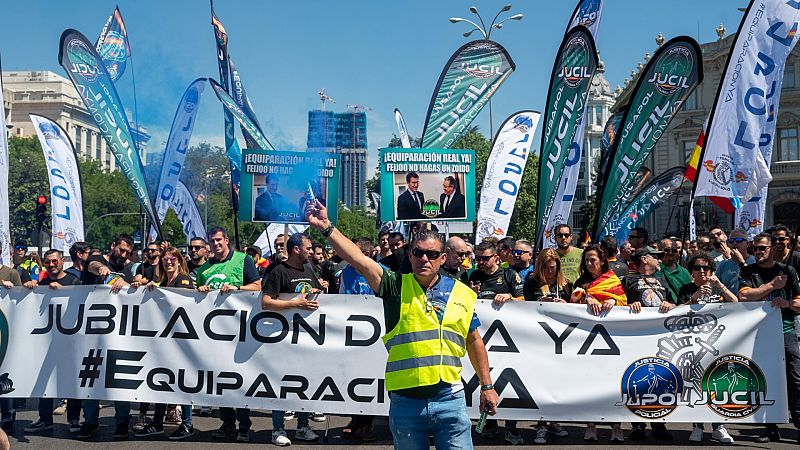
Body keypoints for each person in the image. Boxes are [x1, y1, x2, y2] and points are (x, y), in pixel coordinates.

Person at [305, 198, 498, 449]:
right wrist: (327, 227)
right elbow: (359, 260)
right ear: (410, 254)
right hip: (407, 403)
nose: (424, 259)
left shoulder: (462, 293)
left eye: (431, 254)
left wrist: (487, 386)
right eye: (418, 253)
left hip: (450, 399)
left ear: (443, 258)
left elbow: (474, 341)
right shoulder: (395, 286)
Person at [195, 227, 261, 442]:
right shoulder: (204, 270)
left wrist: (237, 288)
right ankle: (227, 423)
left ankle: (244, 425)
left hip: (240, 330)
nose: (215, 244)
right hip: (215, 334)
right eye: (211, 241)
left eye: (218, 240)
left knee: (238, 380)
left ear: (226, 240)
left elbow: (258, 286)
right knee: (220, 381)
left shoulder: (243, 260)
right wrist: (201, 291)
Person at [261, 233, 321, 446]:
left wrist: (316, 291)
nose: (311, 252)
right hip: (282, 338)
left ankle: (303, 426)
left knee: (304, 383)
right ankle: (277, 429)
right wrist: (295, 304)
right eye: (308, 248)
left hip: (305, 338)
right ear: (296, 249)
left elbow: (312, 296)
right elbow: (266, 302)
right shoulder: (279, 271)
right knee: (280, 383)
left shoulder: (309, 270)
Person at [738, 233, 800, 443]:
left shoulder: (788, 271)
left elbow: (799, 303)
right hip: (759, 335)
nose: (758, 252)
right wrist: (772, 286)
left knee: (795, 379)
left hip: (785, 330)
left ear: (772, 248)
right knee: (763, 379)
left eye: (762, 248)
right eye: (754, 249)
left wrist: (788, 303)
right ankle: (769, 427)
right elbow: (745, 295)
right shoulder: (748, 271)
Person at [132, 247, 195, 440]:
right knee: (162, 381)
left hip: (180, 339)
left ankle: (187, 424)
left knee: (182, 382)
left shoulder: (183, 279)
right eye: (165, 259)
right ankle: (157, 422)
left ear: (179, 261)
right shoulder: (160, 281)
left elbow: (179, 303)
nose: (168, 262)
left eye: (172, 259)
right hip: (163, 340)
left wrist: (158, 290)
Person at [77, 234, 135, 440]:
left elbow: (132, 293)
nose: (124, 254)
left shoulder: (128, 268)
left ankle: (121, 423)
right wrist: (103, 272)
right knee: (91, 380)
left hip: (118, 335)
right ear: (113, 246)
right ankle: (90, 421)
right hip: (92, 335)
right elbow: (92, 266)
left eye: (128, 252)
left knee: (119, 380)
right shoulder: (99, 260)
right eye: (121, 250)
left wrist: (125, 284)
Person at [465, 240, 523, 444]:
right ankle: (489, 424)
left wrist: (510, 297)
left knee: (510, 381)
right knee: (486, 380)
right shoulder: (473, 276)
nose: (480, 262)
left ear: (497, 257)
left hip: (508, 339)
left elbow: (525, 303)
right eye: (478, 258)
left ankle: (512, 427)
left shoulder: (509, 275)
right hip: (482, 339)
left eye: (485, 258)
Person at [568, 245, 626, 442]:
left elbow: (623, 300)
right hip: (586, 339)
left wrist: (614, 302)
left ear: (602, 261)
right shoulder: (581, 281)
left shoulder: (612, 279)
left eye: (593, 260)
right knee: (589, 383)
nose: (589, 263)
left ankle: (616, 427)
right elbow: (573, 301)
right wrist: (587, 297)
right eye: (586, 260)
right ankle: (590, 425)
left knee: (612, 383)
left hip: (611, 341)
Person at [21, 250, 81, 435]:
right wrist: (30, 286)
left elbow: (82, 305)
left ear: (62, 261)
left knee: (72, 383)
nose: (51, 265)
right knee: (44, 383)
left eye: (54, 261)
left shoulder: (74, 282)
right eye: (47, 262)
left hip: (71, 342)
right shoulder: (42, 282)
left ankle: (73, 419)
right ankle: (45, 419)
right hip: (45, 343)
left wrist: (63, 292)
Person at [622, 246, 675, 442]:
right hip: (635, 338)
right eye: (656, 257)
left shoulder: (662, 280)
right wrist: (627, 306)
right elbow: (617, 305)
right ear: (645, 259)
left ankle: (659, 423)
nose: (660, 260)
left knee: (660, 379)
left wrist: (671, 305)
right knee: (638, 379)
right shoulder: (627, 279)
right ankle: (637, 425)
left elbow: (676, 304)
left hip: (660, 338)